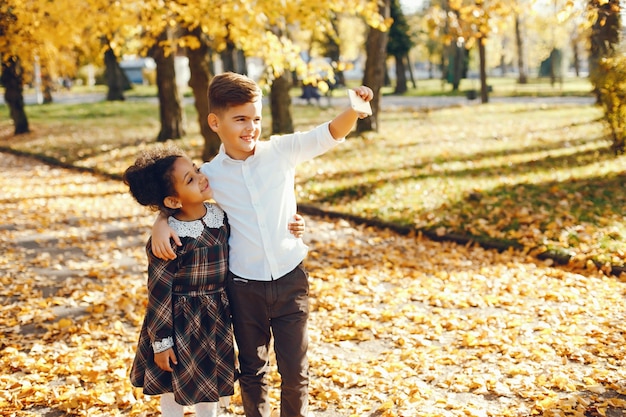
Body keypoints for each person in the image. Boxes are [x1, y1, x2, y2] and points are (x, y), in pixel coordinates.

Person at [151, 72, 374, 417]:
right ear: (215, 122)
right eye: (240, 119)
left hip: (290, 279)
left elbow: (328, 134)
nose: (250, 127)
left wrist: (354, 109)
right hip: (243, 287)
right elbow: (182, 201)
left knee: (295, 372)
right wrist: (160, 222)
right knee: (252, 372)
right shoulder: (212, 174)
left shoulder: (280, 151)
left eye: (256, 118)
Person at [124, 145, 305, 417]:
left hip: (215, 320)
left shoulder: (221, 217)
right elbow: (158, 294)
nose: (201, 177)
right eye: (190, 179)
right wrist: (162, 341)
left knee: (209, 386)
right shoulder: (170, 239)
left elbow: (255, 226)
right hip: (180, 321)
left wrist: (292, 226)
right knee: (174, 385)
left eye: (196, 170)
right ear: (173, 201)